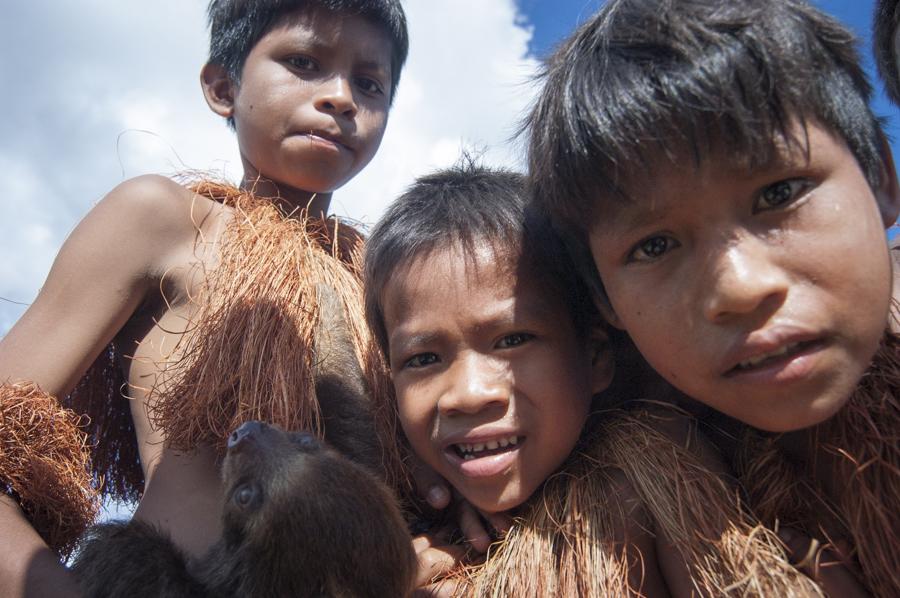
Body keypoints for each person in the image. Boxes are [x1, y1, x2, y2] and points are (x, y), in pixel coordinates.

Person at [0, 1, 408, 596]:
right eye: (303, 61)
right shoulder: (164, 220)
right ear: (223, 87)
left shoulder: (387, 280)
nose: (341, 97)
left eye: (369, 84)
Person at [527, 0, 900, 595]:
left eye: (780, 191)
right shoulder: (603, 502)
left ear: (881, 180)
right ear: (604, 301)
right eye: (653, 247)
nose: (741, 288)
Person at [363, 161, 820, 596]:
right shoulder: (410, 529)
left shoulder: (651, 484)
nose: (467, 395)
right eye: (423, 359)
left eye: (512, 339)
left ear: (597, 356)